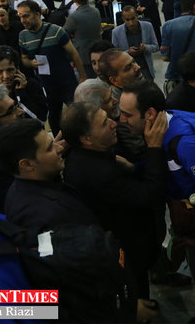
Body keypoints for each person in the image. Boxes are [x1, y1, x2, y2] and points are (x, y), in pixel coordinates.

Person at [119, 80, 195, 323]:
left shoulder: (188, 143)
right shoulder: (159, 131)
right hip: (190, 222)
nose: (121, 120)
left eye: (127, 114)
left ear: (150, 114)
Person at [61, 101, 167, 311]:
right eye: (103, 123)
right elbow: (149, 194)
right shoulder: (99, 173)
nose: (113, 123)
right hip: (126, 250)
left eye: (108, 117)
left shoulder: (85, 155)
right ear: (87, 139)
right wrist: (154, 148)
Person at [0, 118, 98, 230]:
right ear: (27, 164)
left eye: (53, 143)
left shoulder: (31, 186)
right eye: (49, 148)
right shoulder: (44, 216)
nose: (60, 148)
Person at [17, 0, 86, 135]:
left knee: (77, 115)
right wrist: (30, 64)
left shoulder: (56, 31)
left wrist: (83, 76)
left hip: (66, 82)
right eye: (20, 16)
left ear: (37, 14)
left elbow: (73, 54)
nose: (22, 20)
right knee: (54, 119)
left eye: (26, 16)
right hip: (46, 85)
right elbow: (24, 58)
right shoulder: (23, 36)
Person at [0, 45, 48, 122]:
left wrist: (21, 93)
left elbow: (41, 119)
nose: (6, 76)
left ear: (17, 68)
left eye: (10, 70)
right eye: (0, 71)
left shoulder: (31, 85)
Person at [63, 0, 102, 78]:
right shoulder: (96, 11)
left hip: (83, 53)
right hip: (98, 48)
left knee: (88, 77)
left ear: (74, 0)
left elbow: (65, 31)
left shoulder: (74, 16)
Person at [112, 6, 159, 80]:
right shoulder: (116, 32)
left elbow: (156, 46)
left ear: (137, 16)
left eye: (133, 18)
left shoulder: (148, 26)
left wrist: (145, 48)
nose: (131, 23)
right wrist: (128, 52)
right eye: (127, 20)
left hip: (145, 69)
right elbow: (114, 55)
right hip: (127, 72)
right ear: (123, 19)